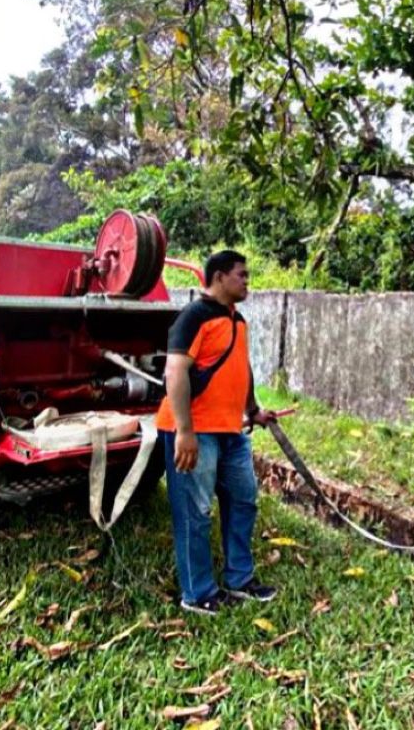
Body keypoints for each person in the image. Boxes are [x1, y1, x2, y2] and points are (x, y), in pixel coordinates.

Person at [156, 250, 278, 615]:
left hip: (231, 432)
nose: (247, 281)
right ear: (220, 277)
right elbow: (175, 373)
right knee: (195, 512)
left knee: (244, 500)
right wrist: (185, 431)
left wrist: (253, 410)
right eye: (242, 274)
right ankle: (197, 593)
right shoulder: (194, 317)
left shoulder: (237, 321)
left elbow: (242, 368)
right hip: (196, 432)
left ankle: (240, 579)